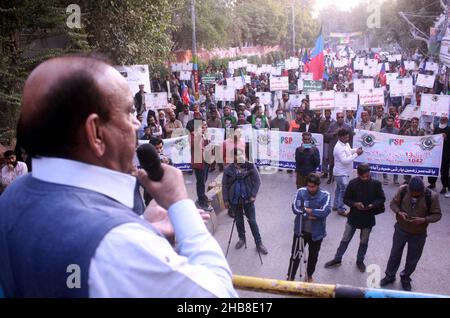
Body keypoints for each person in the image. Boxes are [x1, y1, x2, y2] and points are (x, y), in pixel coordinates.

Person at [0, 56, 237, 298]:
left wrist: (142, 225)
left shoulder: (11, 196)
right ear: (95, 133)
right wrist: (180, 204)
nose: (137, 124)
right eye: (129, 112)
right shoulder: (119, 244)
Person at [380, 177, 442, 291]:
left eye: (417, 195)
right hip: (401, 229)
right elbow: (393, 204)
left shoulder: (431, 196)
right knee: (395, 254)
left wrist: (424, 220)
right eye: (412, 193)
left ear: (422, 190)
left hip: (418, 233)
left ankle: (405, 277)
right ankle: (389, 276)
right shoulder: (403, 190)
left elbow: (437, 215)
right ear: (408, 189)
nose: (414, 196)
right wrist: (399, 212)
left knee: (413, 258)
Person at [325, 164, 385, 272]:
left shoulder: (376, 184)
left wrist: (372, 205)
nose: (366, 178)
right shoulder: (353, 183)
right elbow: (346, 199)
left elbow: (381, 198)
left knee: (364, 241)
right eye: (363, 177)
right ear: (358, 174)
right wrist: (355, 204)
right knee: (345, 239)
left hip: (368, 217)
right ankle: (337, 258)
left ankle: (360, 261)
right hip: (353, 216)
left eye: (368, 176)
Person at [222, 147, 268, 255]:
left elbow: (257, 181)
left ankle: (259, 243)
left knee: (252, 220)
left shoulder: (250, 166)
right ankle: (241, 239)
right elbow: (224, 186)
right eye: (236, 155)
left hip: (248, 199)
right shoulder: (228, 169)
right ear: (233, 157)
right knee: (238, 220)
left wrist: (253, 195)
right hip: (234, 200)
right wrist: (226, 200)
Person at [287, 173, 331, 282]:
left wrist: (309, 210)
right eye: (309, 186)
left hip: (317, 233)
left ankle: (309, 275)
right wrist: (307, 215)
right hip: (300, 231)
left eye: (313, 186)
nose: (310, 189)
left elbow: (325, 211)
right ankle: (290, 276)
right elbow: (295, 208)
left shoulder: (325, 195)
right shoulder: (300, 192)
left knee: (313, 257)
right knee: (295, 255)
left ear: (318, 185)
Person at [332, 129, 363, 216]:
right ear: (340, 137)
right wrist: (357, 154)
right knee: (343, 191)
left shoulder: (346, 144)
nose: (347, 139)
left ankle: (336, 205)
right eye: (345, 137)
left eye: (348, 137)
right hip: (341, 173)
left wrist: (356, 150)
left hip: (343, 172)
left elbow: (349, 151)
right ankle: (341, 209)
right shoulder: (338, 148)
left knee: (338, 190)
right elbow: (345, 161)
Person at [325, 112, 353, 184]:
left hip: (343, 148)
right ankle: (330, 177)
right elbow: (326, 135)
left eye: (342, 117)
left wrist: (349, 148)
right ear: (336, 118)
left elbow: (351, 138)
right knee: (331, 163)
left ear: (344, 118)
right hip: (333, 147)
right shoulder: (332, 126)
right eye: (339, 117)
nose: (340, 118)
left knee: (342, 163)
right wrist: (334, 133)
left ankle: (340, 177)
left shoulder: (348, 126)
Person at [191, 119, 212, 210]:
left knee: (204, 181)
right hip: (199, 162)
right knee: (201, 183)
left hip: (206, 161)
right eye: (202, 126)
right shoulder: (194, 135)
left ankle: (201, 198)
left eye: (206, 126)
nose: (205, 127)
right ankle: (201, 202)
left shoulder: (205, 135)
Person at [427, 116, 450, 196]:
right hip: (436, 152)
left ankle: (444, 186)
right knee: (433, 167)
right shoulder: (436, 129)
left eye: (444, 119)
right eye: (441, 119)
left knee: (444, 169)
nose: (442, 120)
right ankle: (432, 183)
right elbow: (433, 139)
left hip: (445, 152)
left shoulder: (448, 129)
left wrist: (446, 138)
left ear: (447, 120)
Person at [403, 117, 426, 185]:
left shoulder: (422, 131)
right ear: (411, 123)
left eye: (416, 122)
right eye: (413, 122)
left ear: (418, 123)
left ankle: (420, 180)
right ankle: (407, 180)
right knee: (407, 165)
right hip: (409, 152)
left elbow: (424, 140)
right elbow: (405, 141)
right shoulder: (407, 131)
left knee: (419, 166)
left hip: (418, 153)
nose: (414, 124)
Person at [380, 116, 400, 186]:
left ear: (393, 122)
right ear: (386, 121)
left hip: (394, 150)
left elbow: (399, 141)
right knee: (384, 164)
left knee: (395, 164)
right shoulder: (382, 131)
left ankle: (395, 178)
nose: (390, 122)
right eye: (389, 121)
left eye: (391, 121)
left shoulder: (397, 131)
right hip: (385, 150)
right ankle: (385, 178)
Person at [319, 109, 335, 179]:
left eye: (328, 113)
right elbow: (320, 130)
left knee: (331, 157)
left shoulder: (334, 122)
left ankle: (332, 173)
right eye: (326, 113)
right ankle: (325, 172)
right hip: (325, 142)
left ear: (330, 113)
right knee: (325, 157)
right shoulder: (323, 121)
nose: (327, 114)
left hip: (332, 142)